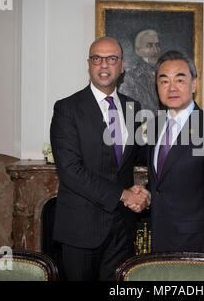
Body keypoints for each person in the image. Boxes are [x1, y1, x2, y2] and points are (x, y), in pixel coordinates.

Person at [50, 36, 150, 281]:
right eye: (97, 58)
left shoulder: (132, 108)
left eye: (112, 59)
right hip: (81, 229)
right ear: (88, 64)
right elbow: (71, 171)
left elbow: (139, 156)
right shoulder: (67, 109)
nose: (104, 65)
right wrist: (124, 195)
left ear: (122, 65)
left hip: (123, 229)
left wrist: (146, 191)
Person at [146, 50, 204, 257]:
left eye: (180, 79)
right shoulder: (154, 127)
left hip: (198, 249)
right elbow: (162, 183)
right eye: (164, 81)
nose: (172, 88)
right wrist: (144, 193)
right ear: (157, 87)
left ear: (194, 84)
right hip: (160, 243)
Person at [119, 29, 161, 115]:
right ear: (137, 51)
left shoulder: (165, 73)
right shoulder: (130, 77)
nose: (155, 50)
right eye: (149, 46)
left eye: (157, 45)